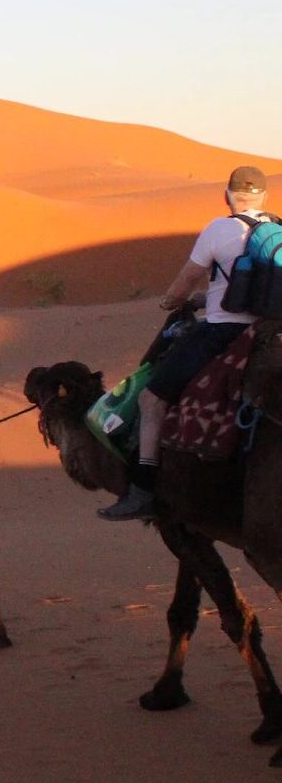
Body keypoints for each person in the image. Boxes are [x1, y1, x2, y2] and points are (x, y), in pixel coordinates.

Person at [98, 166, 273, 521]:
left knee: (151, 399)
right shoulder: (278, 230)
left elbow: (184, 283)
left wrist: (173, 301)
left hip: (222, 333)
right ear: (264, 198)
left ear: (227, 194)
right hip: (269, 332)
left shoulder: (218, 229)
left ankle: (143, 486)